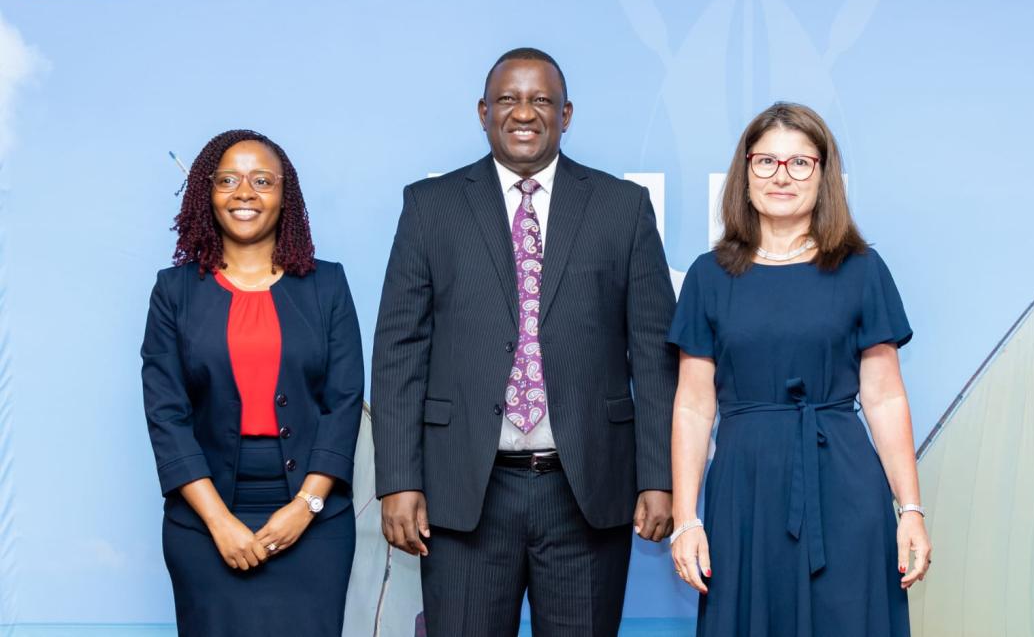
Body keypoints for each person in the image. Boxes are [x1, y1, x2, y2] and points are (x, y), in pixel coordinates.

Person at [370, 48, 678, 636]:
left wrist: (657, 476)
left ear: (567, 114)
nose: (524, 112)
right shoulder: (431, 207)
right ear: (483, 111)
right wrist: (400, 481)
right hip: (463, 493)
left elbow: (655, 354)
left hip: (585, 489)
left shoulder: (622, 208)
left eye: (541, 99)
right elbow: (398, 352)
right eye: (508, 99)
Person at [668, 102, 932, 636]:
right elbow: (694, 406)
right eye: (765, 162)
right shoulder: (708, 276)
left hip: (843, 485)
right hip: (745, 492)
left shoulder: (861, 270)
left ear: (823, 173)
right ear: (745, 173)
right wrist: (685, 520)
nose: (780, 176)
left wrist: (910, 509)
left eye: (799, 163)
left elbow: (884, 397)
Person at [141, 129, 364, 636]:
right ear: (206, 193)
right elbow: (165, 415)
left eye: (262, 180)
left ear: (286, 195)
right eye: (229, 180)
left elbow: (344, 403)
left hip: (315, 523)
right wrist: (219, 523)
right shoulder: (173, 292)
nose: (245, 192)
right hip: (202, 521)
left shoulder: (328, 286)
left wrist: (306, 508)